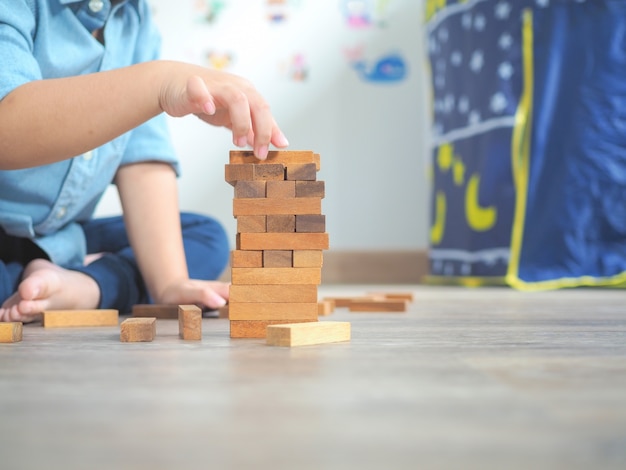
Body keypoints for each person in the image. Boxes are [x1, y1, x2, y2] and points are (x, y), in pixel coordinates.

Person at [0, 0, 289, 322]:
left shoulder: (133, 19)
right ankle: (69, 286)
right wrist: (157, 81)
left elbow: (142, 161)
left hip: (60, 238)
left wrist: (169, 283)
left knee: (206, 236)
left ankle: (81, 286)